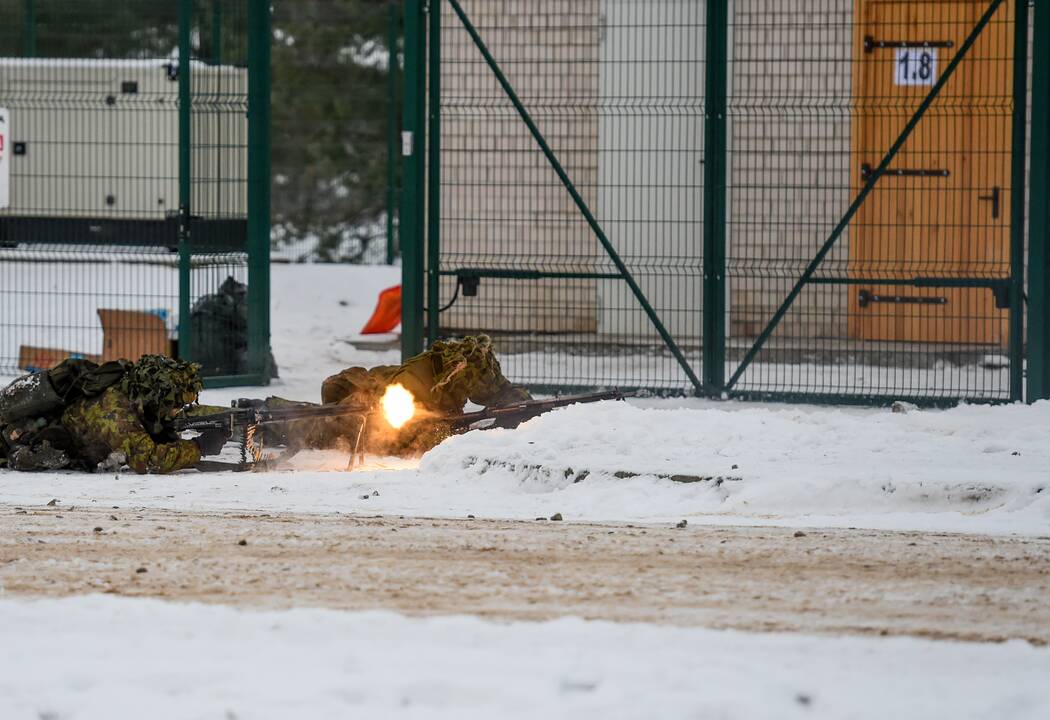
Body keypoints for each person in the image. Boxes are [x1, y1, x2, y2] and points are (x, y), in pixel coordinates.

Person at [274, 334, 531, 456]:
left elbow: (500, 391)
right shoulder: (413, 384)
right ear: (455, 374)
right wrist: (454, 435)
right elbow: (403, 436)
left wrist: (524, 407)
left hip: (388, 408)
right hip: (365, 414)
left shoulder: (468, 369)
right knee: (311, 427)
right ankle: (264, 413)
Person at [0, 355, 227, 474]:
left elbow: (178, 417)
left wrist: (230, 417)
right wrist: (199, 448)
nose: (178, 410)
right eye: (175, 403)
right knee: (46, 452)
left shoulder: (132, 388)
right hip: (34, 439)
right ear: (158, 397)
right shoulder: (116, 414)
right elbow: (150, 461)